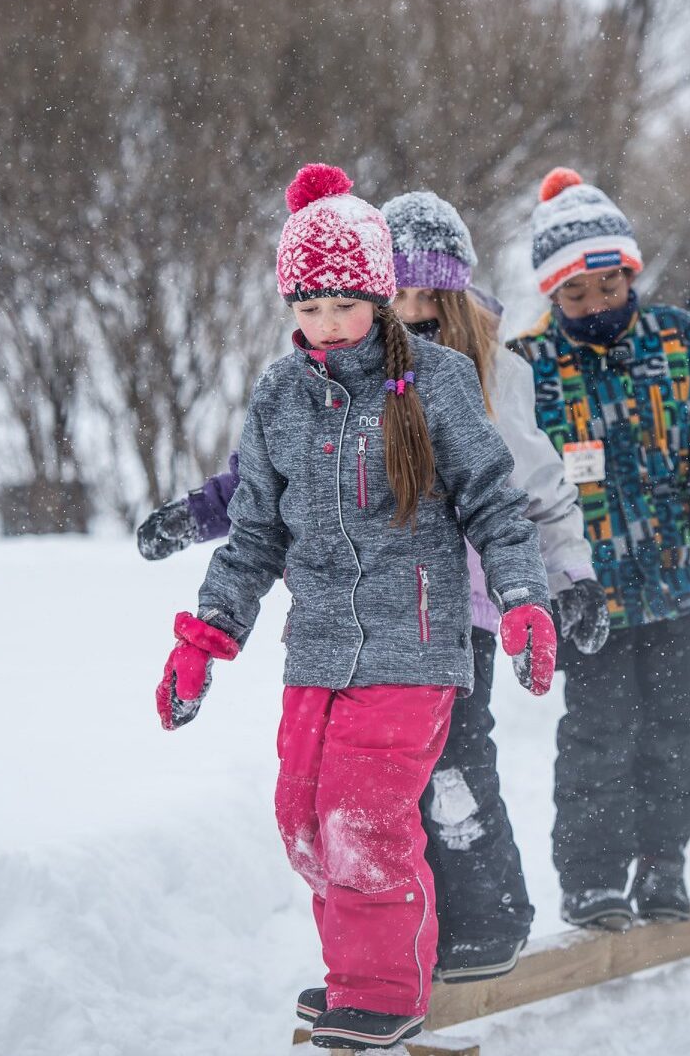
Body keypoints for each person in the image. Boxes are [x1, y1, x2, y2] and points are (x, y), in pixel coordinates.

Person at [139, 187, 608, 986]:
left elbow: (527, 492)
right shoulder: (304, 386)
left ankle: (488, 917)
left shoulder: (478, 374)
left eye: (432, 295)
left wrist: (563, 579)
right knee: (374, 797)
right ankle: (405, 944)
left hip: (466, 609)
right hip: (353, 622)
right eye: (406, 293)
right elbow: (261, 491)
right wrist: (193, 520)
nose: (417, 309)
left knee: (456, 768)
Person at [508, 167, 690, 931]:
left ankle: (663, 863)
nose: (594, 306)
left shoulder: (680, 339)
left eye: (606, 288)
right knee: (601, 733)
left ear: (629, 273)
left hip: (677, 574)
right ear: (552, 294)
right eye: (574, 296)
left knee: (675, 725)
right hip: (590, 592)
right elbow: (507, 461)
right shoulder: (529, 366)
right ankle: (592, 879)